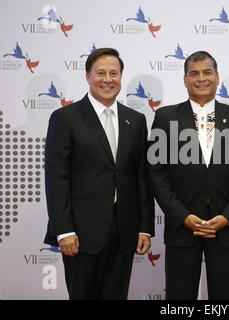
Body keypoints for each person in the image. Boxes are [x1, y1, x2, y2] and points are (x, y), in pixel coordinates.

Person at [44, 48, 155, 300]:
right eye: (101, 73)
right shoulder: (65, 118)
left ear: (121, 77)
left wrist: (145, 228)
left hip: (124, 231)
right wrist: (64, 230)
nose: (108, 79)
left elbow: (141, 177)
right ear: (87, 77)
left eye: (114, 73)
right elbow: (56, 179)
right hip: (81, 234)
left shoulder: (135, 120)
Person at [148, 51, 229, 300]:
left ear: (217, 78)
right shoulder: (165, 117)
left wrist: (228, 217)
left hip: (226, 229)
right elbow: (156, 174)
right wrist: (182, 216)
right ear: (185, 79)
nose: (201, 79)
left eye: (207, 72)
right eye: (194, 73)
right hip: (182, 228)